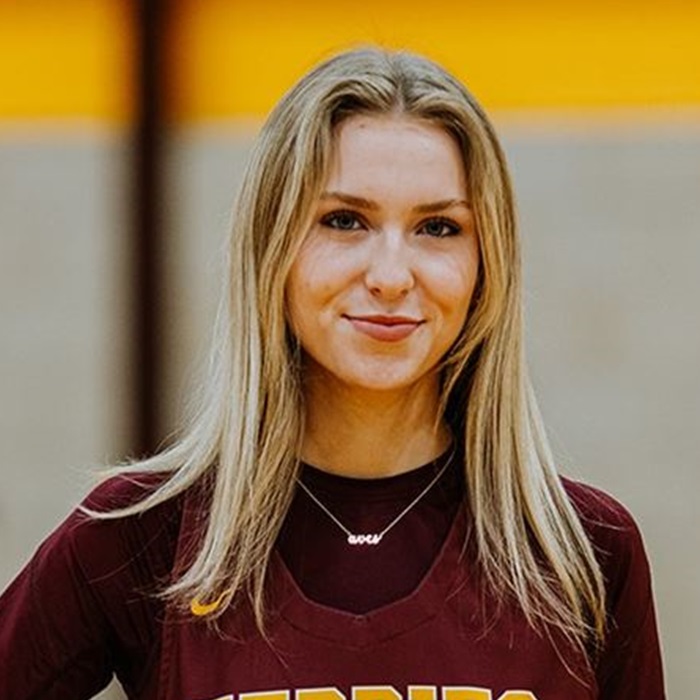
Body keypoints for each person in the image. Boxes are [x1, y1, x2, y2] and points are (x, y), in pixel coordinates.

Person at [0, 47, 665, 700]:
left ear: (486, 267)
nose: (391, 276)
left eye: (438, 228)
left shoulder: (585, 552)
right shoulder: (144, 536)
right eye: (344, 221)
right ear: (273, 250)